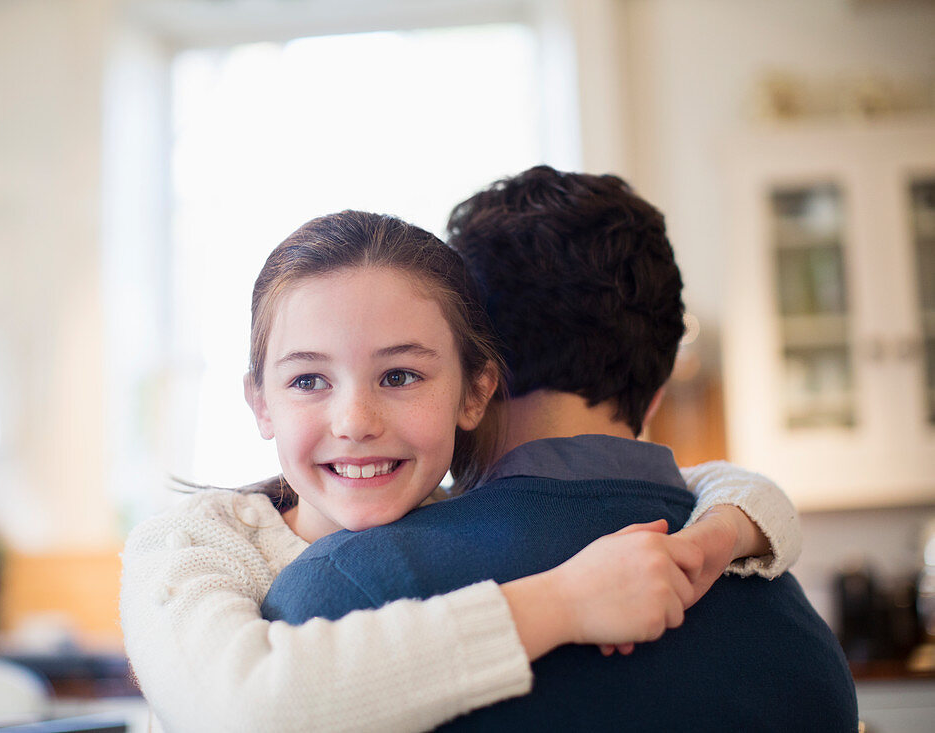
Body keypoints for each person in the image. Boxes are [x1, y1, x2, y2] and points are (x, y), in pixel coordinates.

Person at [121, 209, 801, 733]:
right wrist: (565, 602)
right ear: (260, 403)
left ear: (475, 393)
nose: (355, 418)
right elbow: (247, 709)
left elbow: (722, 481)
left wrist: (711, 539)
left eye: (399, 374)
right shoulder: (189, 547)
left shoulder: (457, 518)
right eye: (307, 379)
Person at [261, 174, 858, 731]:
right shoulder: (804, 641)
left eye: (399, 375)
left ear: (474, 380)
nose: (357, 421)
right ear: (655, 392)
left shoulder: (333, 604)